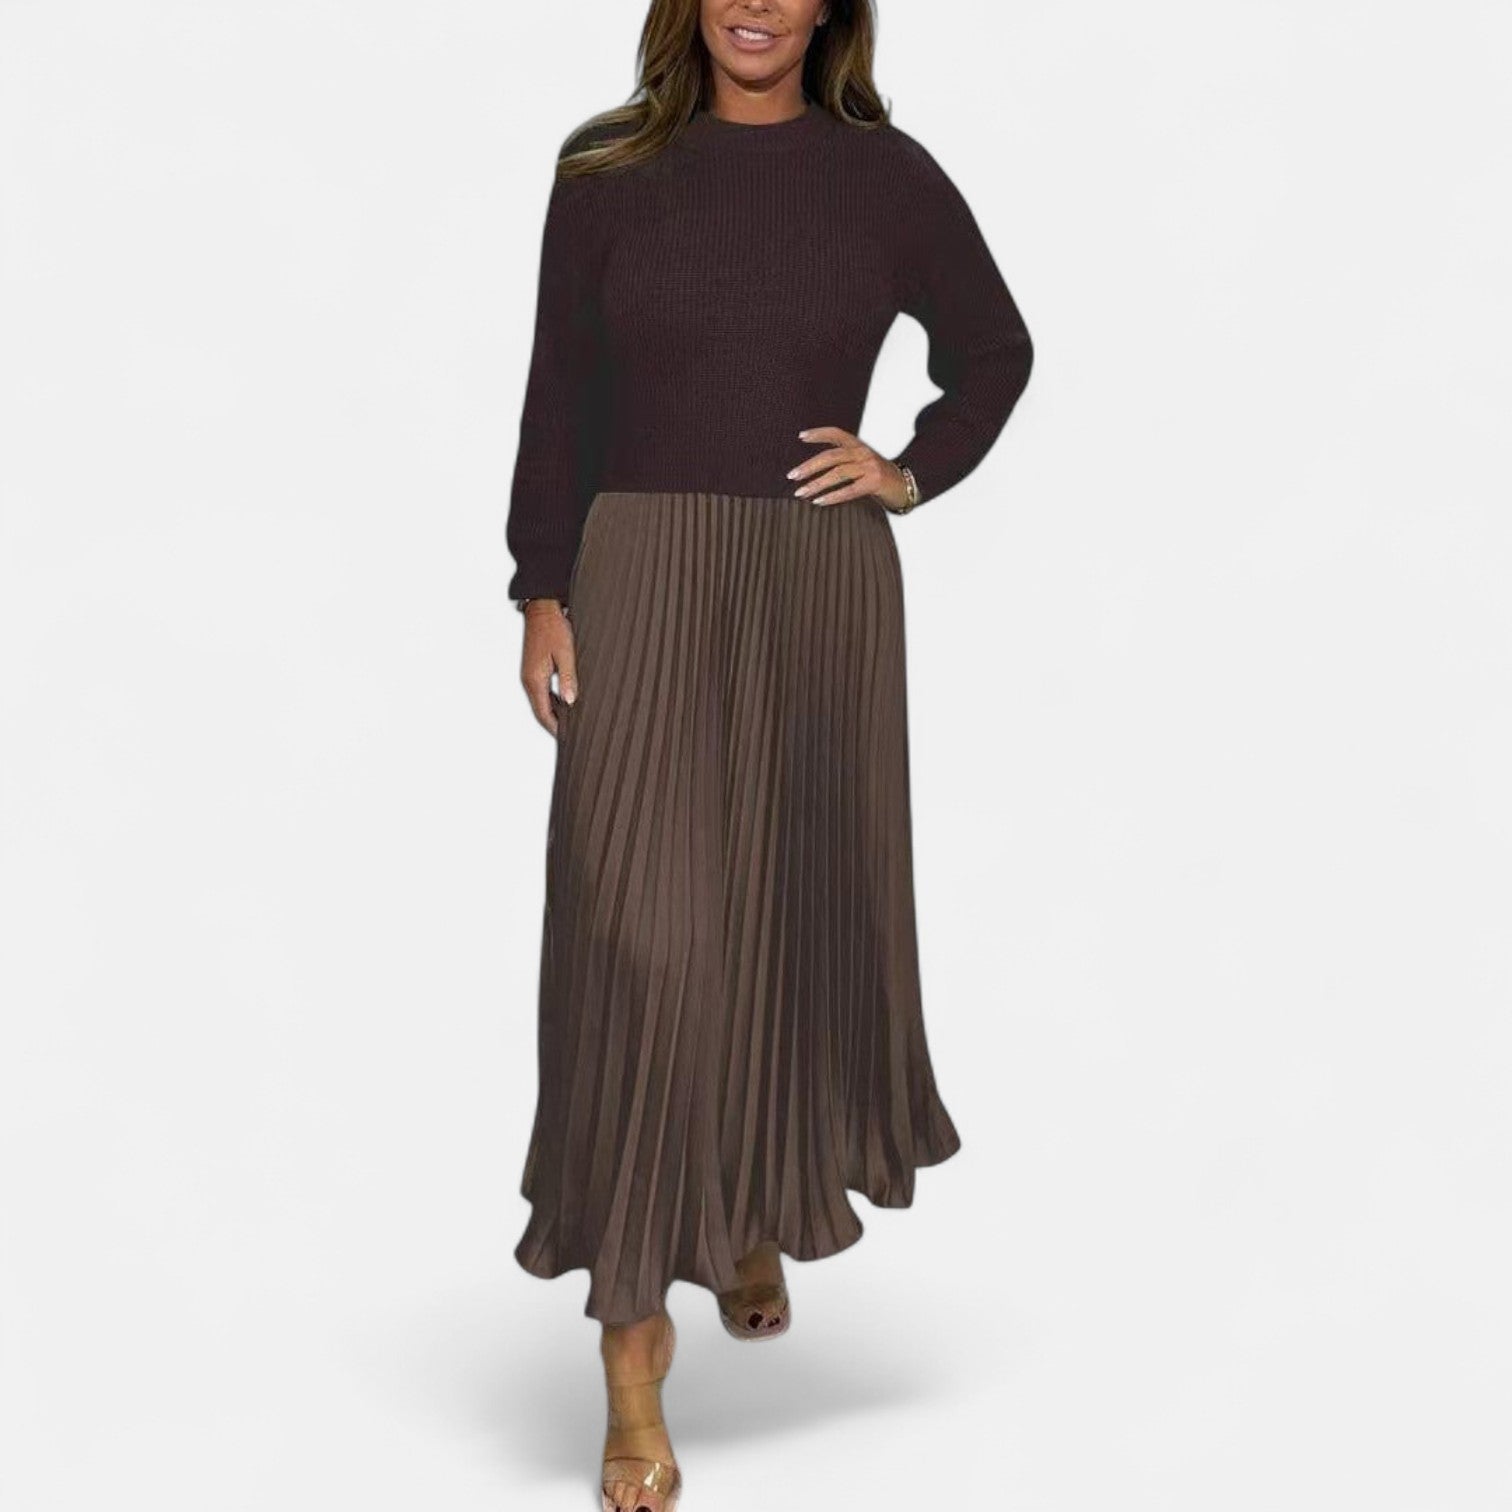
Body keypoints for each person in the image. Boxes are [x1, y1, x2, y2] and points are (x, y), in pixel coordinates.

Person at [503, 3, 1033, 1507]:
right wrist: (541, 586)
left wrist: (909, 472)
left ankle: (747, 1212)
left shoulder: (885, 176)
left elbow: (995, 351)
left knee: (781, 919)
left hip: (816, 585)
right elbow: (561, 386)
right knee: (639, 941)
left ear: (827, 9)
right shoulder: (607, 170)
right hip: (640, 574)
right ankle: (631, 1351)